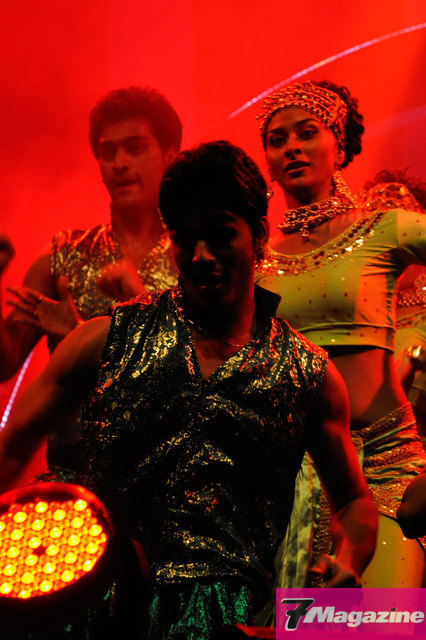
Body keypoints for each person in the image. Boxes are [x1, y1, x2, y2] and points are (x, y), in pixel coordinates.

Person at [0, 141, 377, 638]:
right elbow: (11, 448)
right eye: (185, 239)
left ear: (259, 235)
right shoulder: (104, 340)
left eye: (220, 235)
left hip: (228, 622)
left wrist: (346, 564)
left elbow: (353, 502)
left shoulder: (307, 374)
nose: (201, 256)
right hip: (99, 608)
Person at [255, 80, 426, 589]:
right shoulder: (256, 263)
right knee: (308, 623)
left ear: (340, 145)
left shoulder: (386, 229)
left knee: (378, 621)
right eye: (278, 140)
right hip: (289, 482)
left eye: (307, 133)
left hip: (383, 471)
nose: (292, 147)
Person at [0, 86, 181, 476]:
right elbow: (3, 364)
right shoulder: (62, 258)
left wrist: (81, 337)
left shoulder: (195, 257)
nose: (119, 163)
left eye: (135, 148)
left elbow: (207, 372)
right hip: (74, 482)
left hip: (168, 479)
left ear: (170, 154)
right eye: (108, 151)